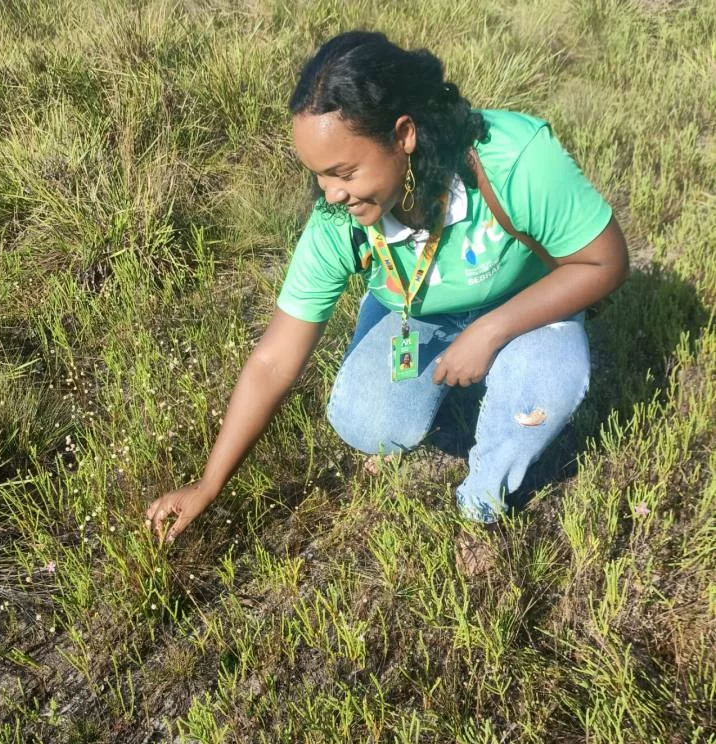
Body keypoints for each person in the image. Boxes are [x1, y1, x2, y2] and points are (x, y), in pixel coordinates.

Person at [145, 31, 628, 562]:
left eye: (343, 172)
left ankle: (483, 500)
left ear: (404, 135)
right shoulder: (339, 217)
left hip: (528, 304)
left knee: (544, 385)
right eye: (319, 176)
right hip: (416, 314)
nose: (330, 194)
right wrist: (209, 484)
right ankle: (447, 394)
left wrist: (489, 331)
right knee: (366, 420)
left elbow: (606, 262)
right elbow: (273, 359)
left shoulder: (512, 158)